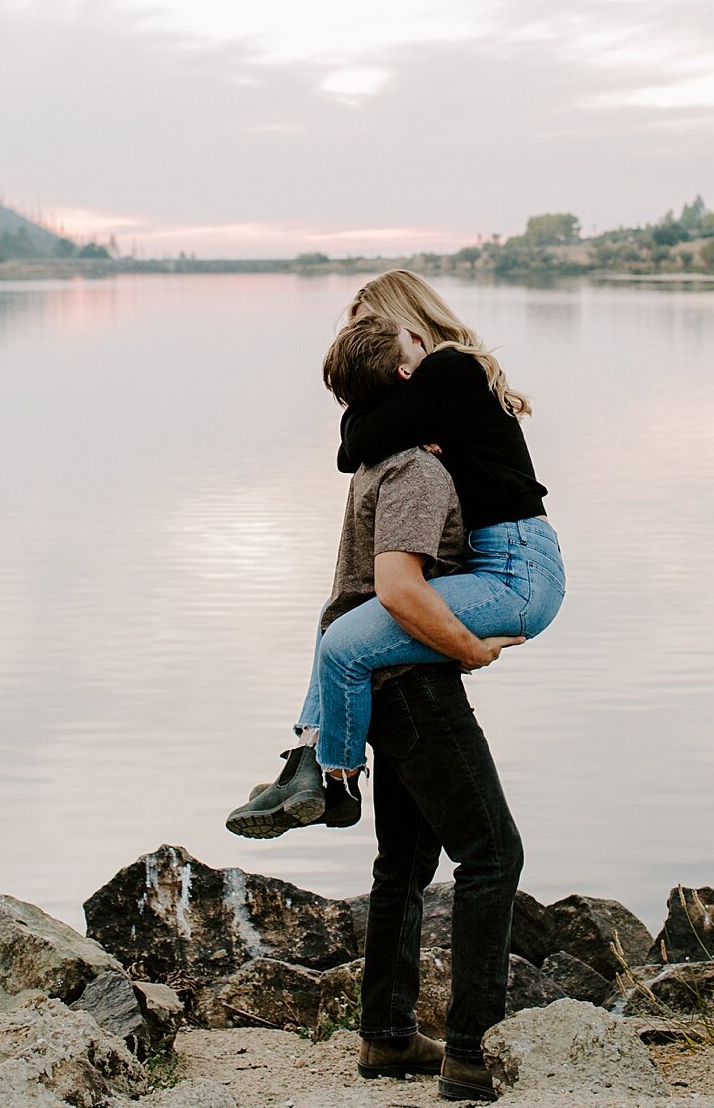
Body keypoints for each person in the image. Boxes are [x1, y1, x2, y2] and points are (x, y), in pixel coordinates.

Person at [225, 271, 564, 836]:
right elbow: (355, 440)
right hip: (491, 561)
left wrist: (379, 424)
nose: (364, 351)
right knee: (337, 623)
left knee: (347, 646)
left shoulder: (450, 367)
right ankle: (308, 761)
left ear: (408, 325)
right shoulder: (427, 386)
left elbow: (352, 443)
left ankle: (334, 779)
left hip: (515, 570)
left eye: (372, 332)